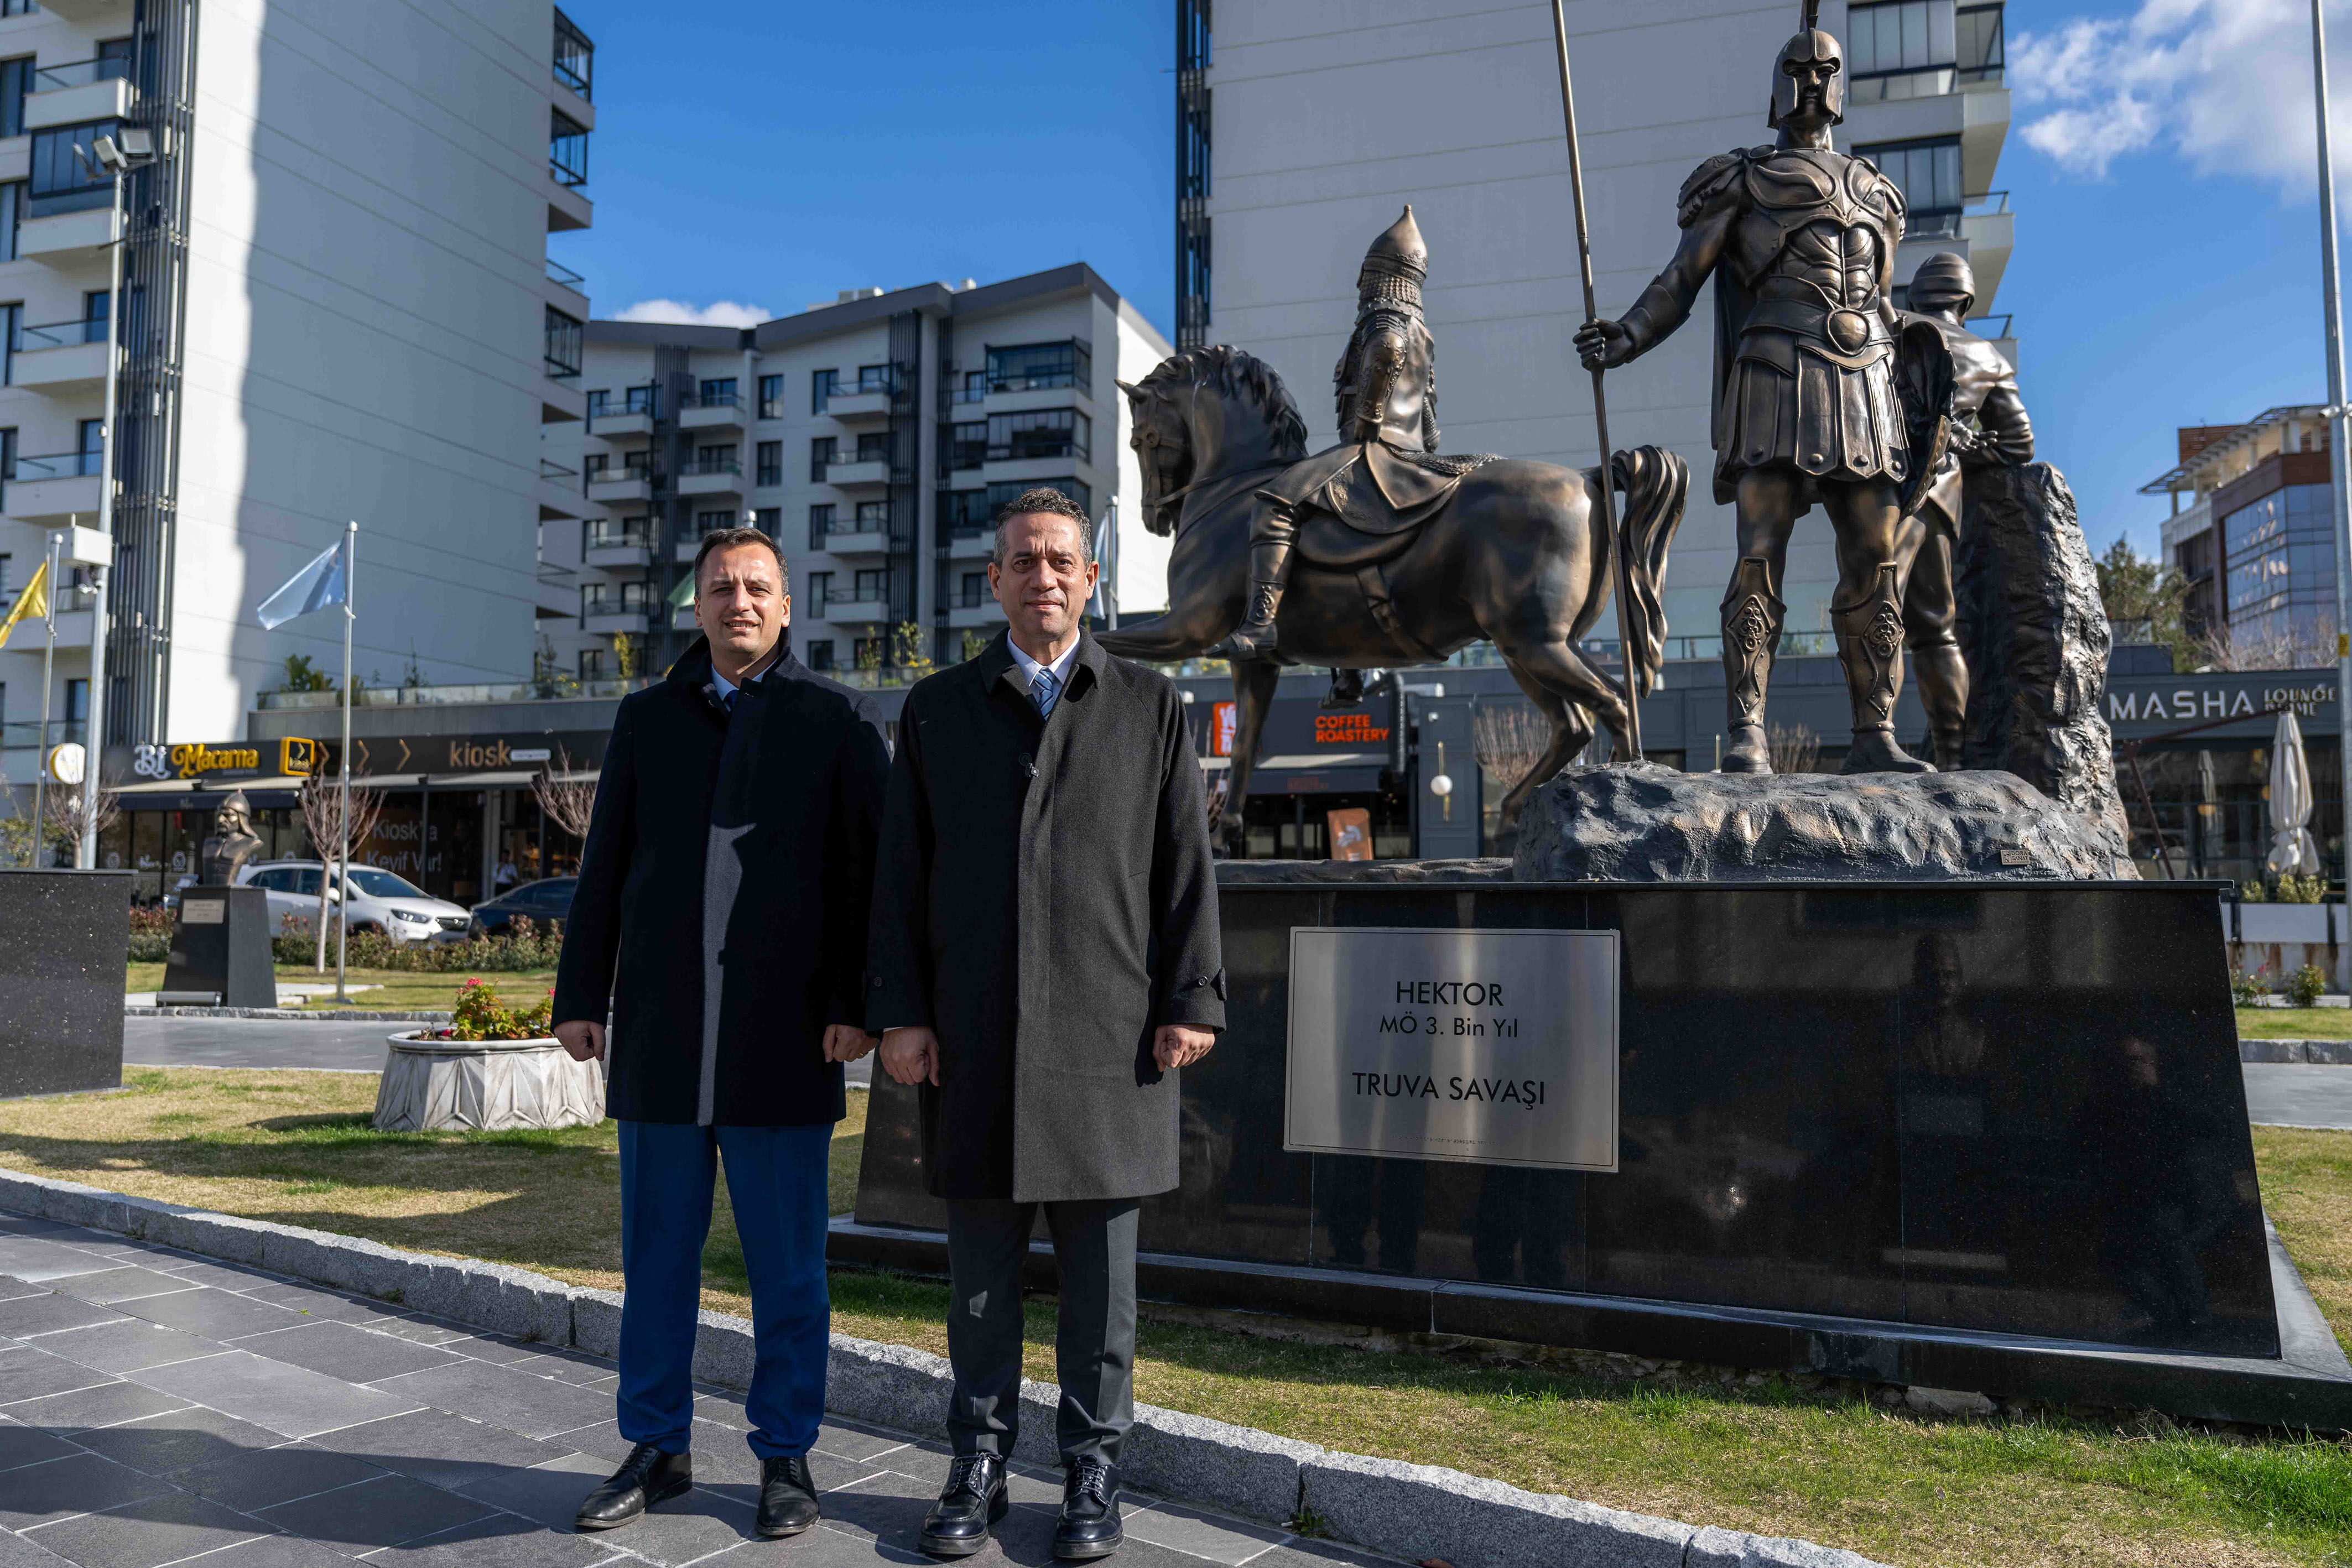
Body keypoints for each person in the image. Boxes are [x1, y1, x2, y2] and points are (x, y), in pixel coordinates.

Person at [868, 487, 1224, 1562]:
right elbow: (900, 878)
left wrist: (1189, 1000)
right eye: (1023, 561)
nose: (1043, 577)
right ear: (994, 581)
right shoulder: (935, 709)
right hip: (971, 1047)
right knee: (977, 1290)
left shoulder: (1150, 706)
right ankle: (976, 1461)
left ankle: (1091, 1471)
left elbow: (1184, 870)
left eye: (1061, 561)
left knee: (1100, 1296)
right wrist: (902, 1014)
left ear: (1091, 578)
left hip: (1110, 1047)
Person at [551, 527, 888, 1540]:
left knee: (789, 1266)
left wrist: (858, 1005)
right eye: (718, 588)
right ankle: (656, 1446)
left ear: (787, 606)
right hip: (659, 1036)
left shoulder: (835, 720)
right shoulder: (645, 719)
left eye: (756, 588)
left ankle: (786, 1455)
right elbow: (604, 866)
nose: (737, 602)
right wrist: (581, 995)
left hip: (786, 1042)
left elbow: (866, 882)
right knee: (655, 1256)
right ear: (694, 606)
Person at [1576, 2, 1935, 775]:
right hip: (1775, 366)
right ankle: (1747, 731)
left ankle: (1875, 732)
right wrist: (1628, 335)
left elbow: (1881, 301)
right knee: (1759, 547)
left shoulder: (1879, 194)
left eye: (1827, 71)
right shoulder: (1741, 178)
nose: (1814, 82)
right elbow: (1682, 280)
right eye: (1801, 70)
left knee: (1876, 553)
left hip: (1866, 376)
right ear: (1777, 84)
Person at [1209, 206, 1479, 660]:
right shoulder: (1424, 334)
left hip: (1376, 448)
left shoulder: (1386, 321)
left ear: (1378, 276)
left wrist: (1369, 420)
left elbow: (1387, 351)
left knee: (1276, 501)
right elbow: (1430, 423)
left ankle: (1260, 626)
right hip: (1411, 451)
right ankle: (1348, 667)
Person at [1897, 251, 2035, 769]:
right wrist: (1967, 447)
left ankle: (1875, 738)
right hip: (1937, 493)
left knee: (1873, 606)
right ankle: (1952, 761)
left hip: (1874, 486)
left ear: (1916, 298)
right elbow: (2019, 445)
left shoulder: (1889, 331)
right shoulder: (1988, 356)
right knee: (1935, 627)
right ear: (1965, 302)